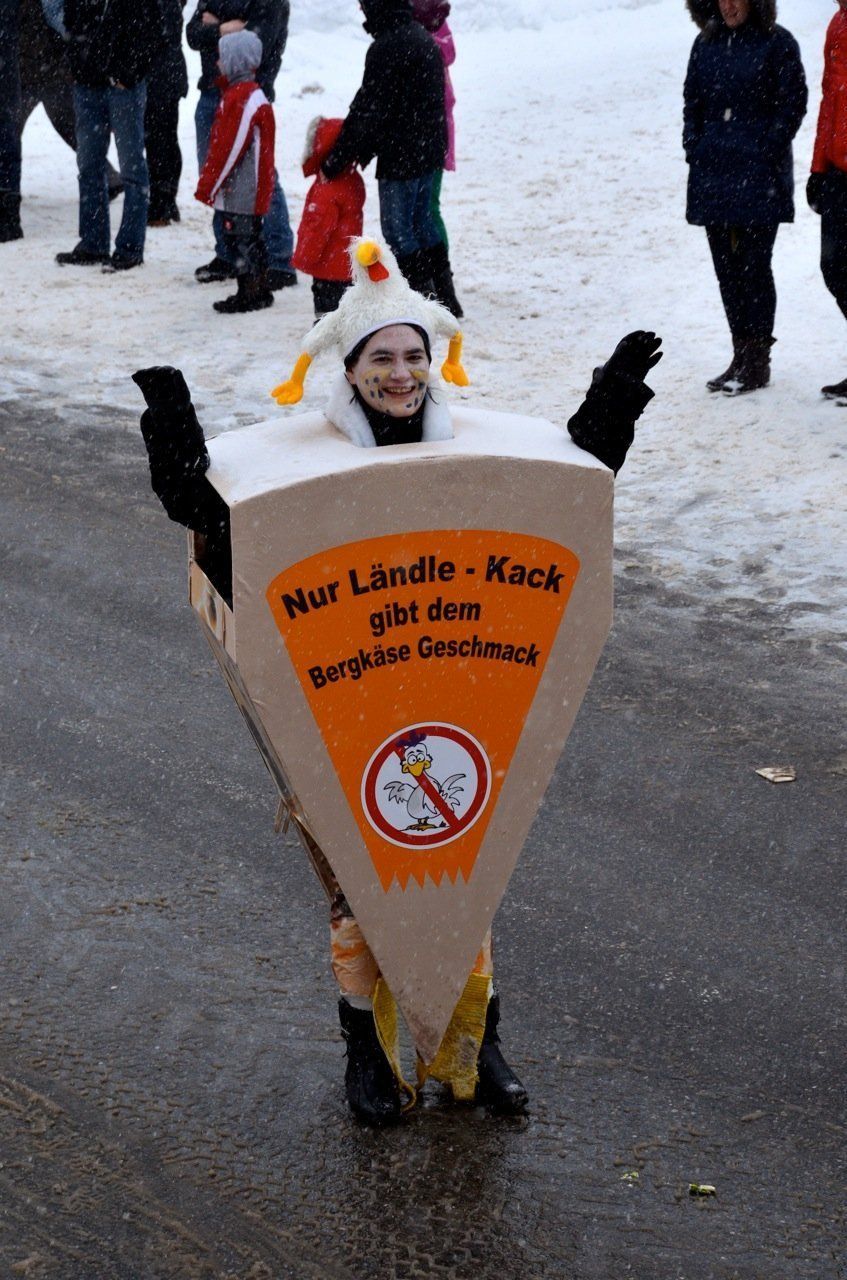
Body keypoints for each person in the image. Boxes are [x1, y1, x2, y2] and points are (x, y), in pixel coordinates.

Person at [133, 238, 662, 1126]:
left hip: (457, 698)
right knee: (359, 894)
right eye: (381, 358)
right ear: (348, 370)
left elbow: (568, 486)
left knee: (461, 881)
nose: (401, 373)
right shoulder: (305, 460)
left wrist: (615, 396)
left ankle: (474, 1046)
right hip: (339, 708)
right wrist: (170, 418)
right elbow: (206, 510)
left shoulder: (470, 453)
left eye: (414, 355)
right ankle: (369, 1053)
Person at [683, 0, 806, 394]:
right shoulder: (705, 44)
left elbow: (793, 104)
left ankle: (757, 360)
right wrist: (695, 146)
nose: (728, 5)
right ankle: (740, 354)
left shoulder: (777, 43)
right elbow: (692, 103)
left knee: (754, 268)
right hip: (714, 175)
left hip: (759, 178)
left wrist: (766, 149)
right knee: (727, 271)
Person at [321, 0, 448, 303]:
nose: (361, 11)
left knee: (398, 232)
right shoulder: (420, 36)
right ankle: (445, 296)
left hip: (402, 155)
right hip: (427, 150)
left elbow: (369, 109)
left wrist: (336, 159)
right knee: (422, 224)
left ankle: (423, 301)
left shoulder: (387, 47)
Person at [186, 0, 295, 290]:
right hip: (212, 93)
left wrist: (215, 28)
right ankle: (229, 253)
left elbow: (257, 45)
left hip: (249, 93)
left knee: (259, 176)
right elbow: (192, 34)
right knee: (217, 175)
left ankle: (278, 259)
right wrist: (225, 29)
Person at [57, 0, 166, 270]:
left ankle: (130, 248)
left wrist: (129, 73)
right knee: (89, 166)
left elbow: (155, 31)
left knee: (131, 167)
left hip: (123, 85)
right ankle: (93, 243)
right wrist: (77, 64)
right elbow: (71, 20)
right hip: (88, 83)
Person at [194, 29, 275, 313]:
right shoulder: (243, 94)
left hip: (243, 188)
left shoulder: (243, 98)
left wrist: (209, 184)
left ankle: (250, 293)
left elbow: (230, 147)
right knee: (249, 238)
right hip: (245, 186)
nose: (217, 62)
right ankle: (258, 289)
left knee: (243, 240)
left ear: (235, 61)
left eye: (222, 57)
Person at [807, 0, 847, 402]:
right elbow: (829, 102)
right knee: (835, 268)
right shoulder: (837, 23)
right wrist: (818, 168)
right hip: (837, 172)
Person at [411, 0, 461, 317]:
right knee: (425, 206)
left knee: (428, 206)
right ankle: (434, 273)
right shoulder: (423, 23)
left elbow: (448, 53)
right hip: (429, 135)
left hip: (432, 136)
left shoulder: (432, 23)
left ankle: (440, 274)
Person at [291, 116, 366, 321]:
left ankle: (325, 336)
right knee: (345, 314)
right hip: (346, 266)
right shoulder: (351, 178)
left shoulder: (327, 189)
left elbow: (316, 229)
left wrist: (304, 258)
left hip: (327, 268)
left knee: (326, 317)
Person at [145, 0, 188, 226]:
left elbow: (160, 31)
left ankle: (161, 203)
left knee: (159, 142)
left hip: (159, 75)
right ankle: (165, 200)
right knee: (164, 140)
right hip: (165, 72)